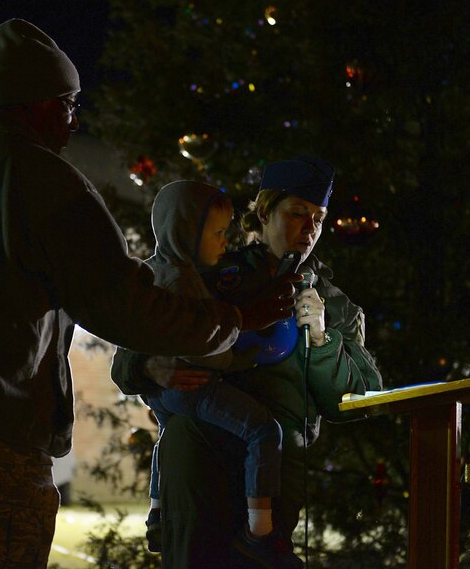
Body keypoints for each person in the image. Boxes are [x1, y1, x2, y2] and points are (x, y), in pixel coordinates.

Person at [0, 18, 295, 568]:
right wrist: (233, 320)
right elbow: (125, 305)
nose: (71, 121)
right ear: (33, 103)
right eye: (67, 104)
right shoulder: (44, 182)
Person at [112, 156, 383, 568]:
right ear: (263, 212)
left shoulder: (336, 306)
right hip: (199, 457)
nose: (308, 229)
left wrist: (322, 339)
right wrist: (149, 367)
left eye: (318, 218)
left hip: (275, 474)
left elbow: (361, 398)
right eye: (297, 213)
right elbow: (129, 355)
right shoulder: (211, 274)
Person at [131, 180, 300, 568]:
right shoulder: (188, 282)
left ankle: (157, 511)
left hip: (183, 419)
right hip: (195, 402)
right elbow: (201, 345)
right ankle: (259, 532)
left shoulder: (156, 273)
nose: (226, 242)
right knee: (262, 429)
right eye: (218, 233)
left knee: (168, 427)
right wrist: (244, 354)